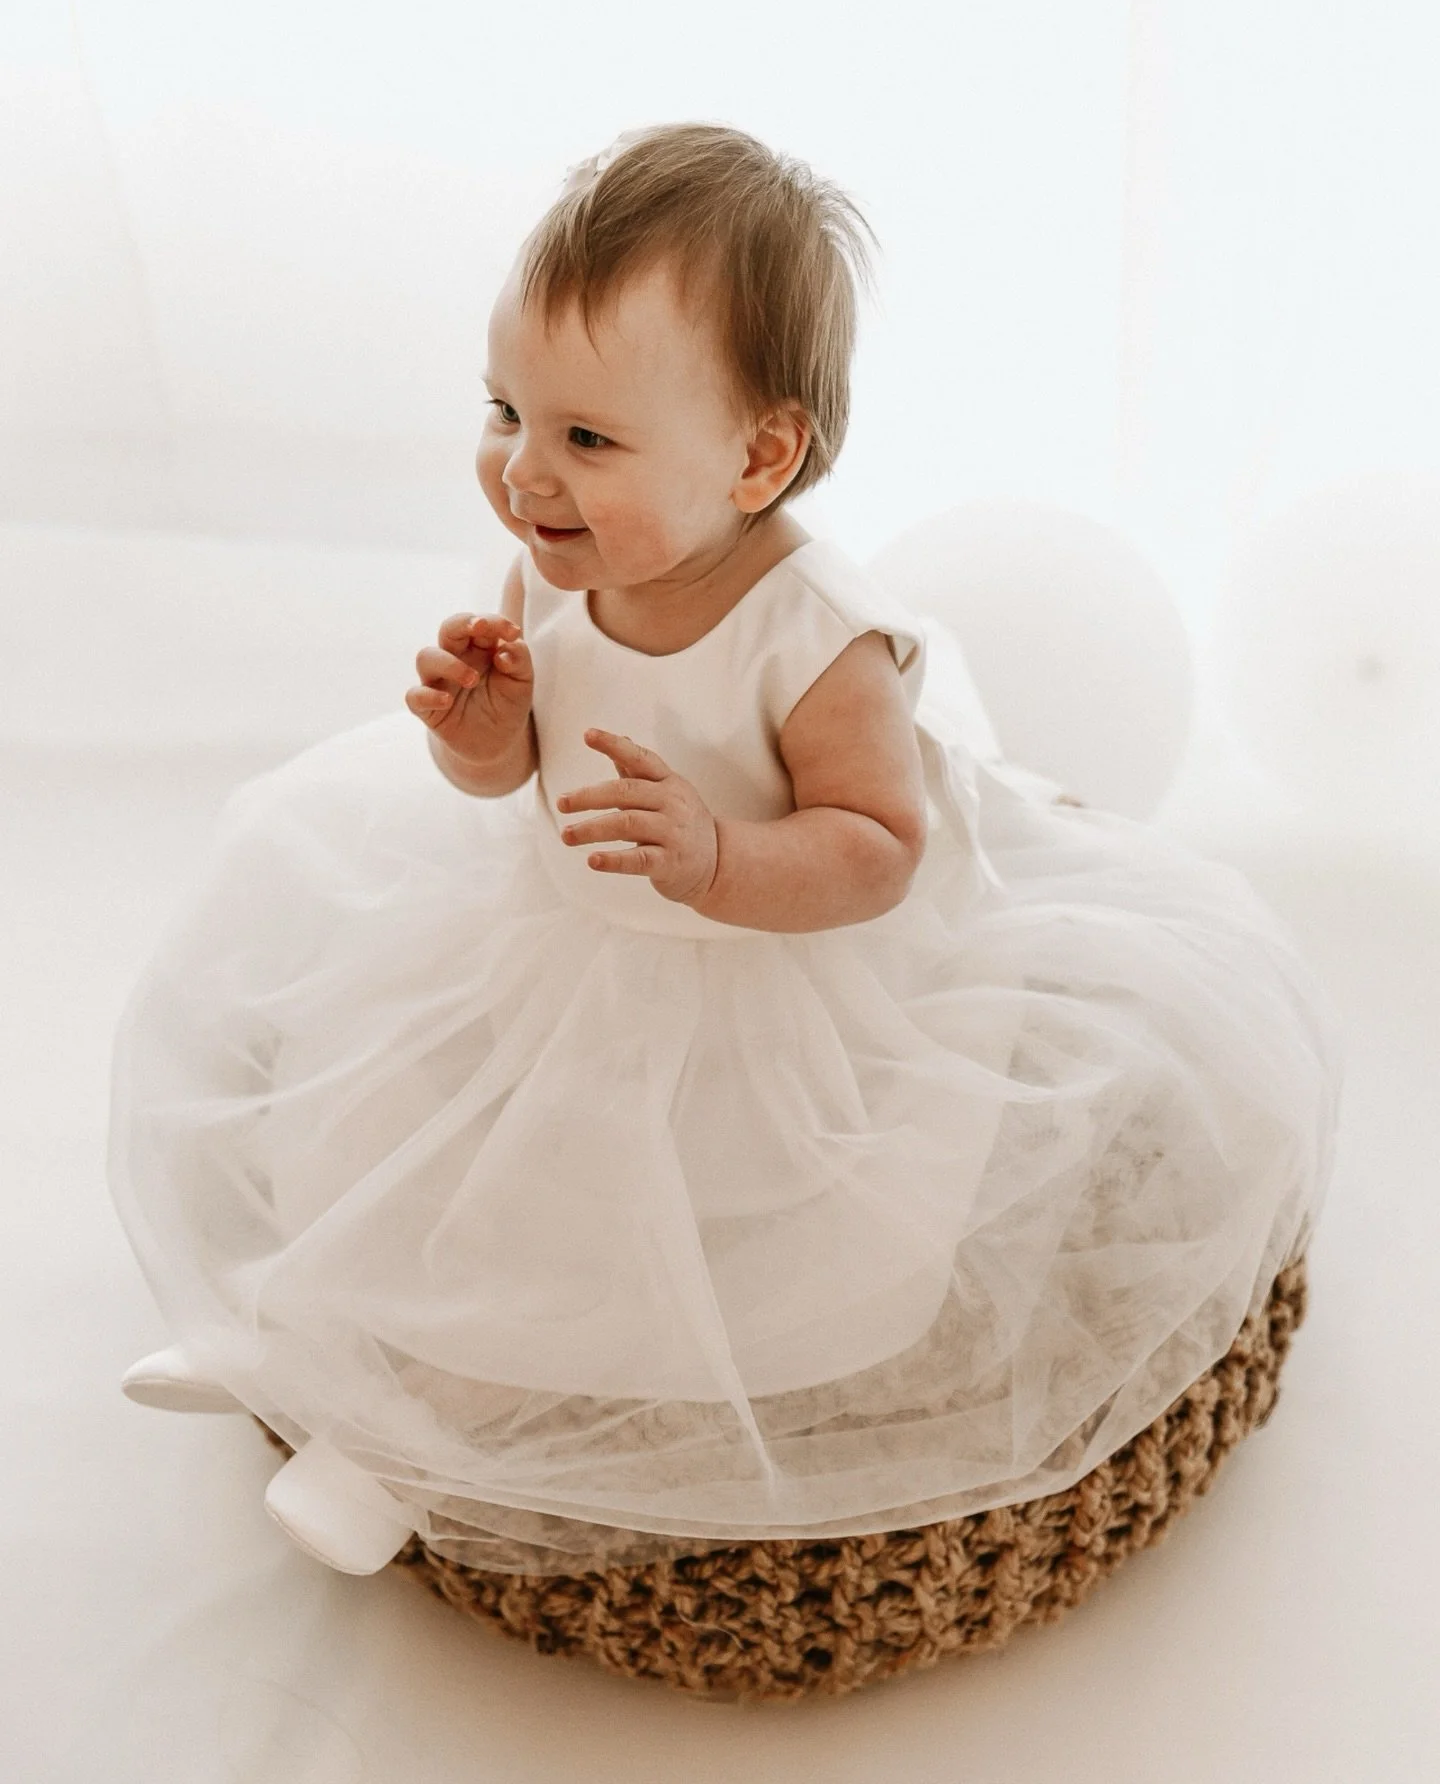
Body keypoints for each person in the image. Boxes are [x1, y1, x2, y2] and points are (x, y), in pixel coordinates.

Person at [109, 122, 1344, 1578]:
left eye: (586, 439)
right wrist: (484, 728)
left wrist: (716, 859)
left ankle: (409, 1465)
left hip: (774, 974)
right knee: (409, 1128)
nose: (522, 472)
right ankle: (295, 1337)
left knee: (626, 1243)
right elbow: (514, 778)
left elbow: (881, 845)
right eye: (505, 409)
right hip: (562, 936)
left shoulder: (816, 635)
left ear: (761, 456)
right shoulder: (555, 565)